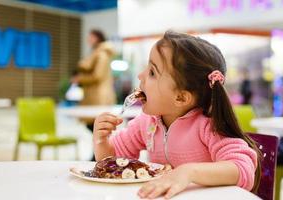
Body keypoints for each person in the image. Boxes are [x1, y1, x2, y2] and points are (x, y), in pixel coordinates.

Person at [93, 31, 261, 199]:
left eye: (152, 72)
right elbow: (114, 163)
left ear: (181, 97)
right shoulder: (147, 122)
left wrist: (189, 172)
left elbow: (242, 168)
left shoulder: (208, 126)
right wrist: (101, 141)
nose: (140, 75)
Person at [72, 29, 116, 131]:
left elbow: (97, 76)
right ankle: (97, 147)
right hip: (93, 95)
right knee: (94, 127)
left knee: (97, 127)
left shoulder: (102, 54)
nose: (88, 40)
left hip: (99, 96)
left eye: (90, 37)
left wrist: (80, 79)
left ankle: (99, 147)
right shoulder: (96, 53)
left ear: (97, 38)